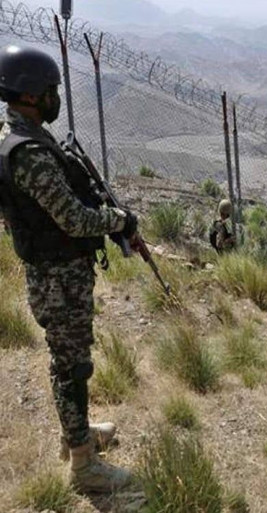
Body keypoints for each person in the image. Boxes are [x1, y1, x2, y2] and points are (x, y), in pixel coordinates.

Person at [0, 45, 136, 493]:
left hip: (56, 271)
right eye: (52, 90)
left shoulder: (20, 135)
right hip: (58, 278)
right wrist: (118, 220)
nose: (57, 97)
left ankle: (75, 436)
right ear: (33, 94)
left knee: (69, 363)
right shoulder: (30, 153)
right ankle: (84, 466)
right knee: (72, 366)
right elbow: (73, 219)